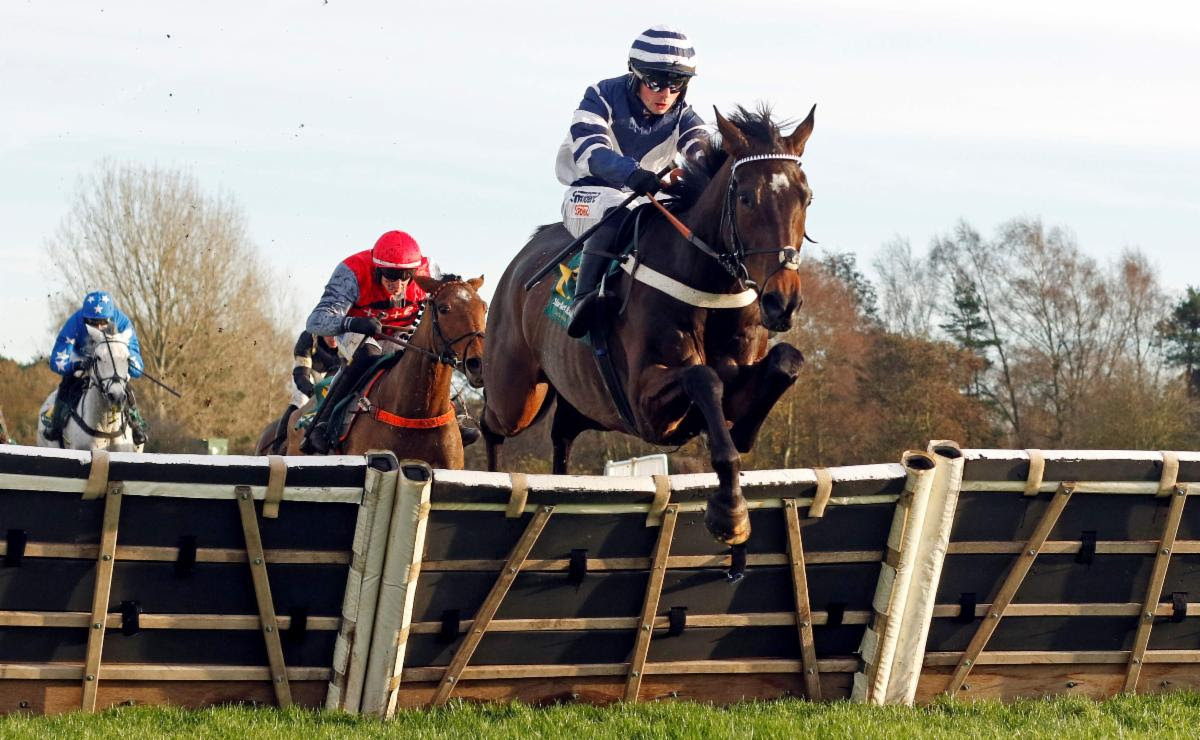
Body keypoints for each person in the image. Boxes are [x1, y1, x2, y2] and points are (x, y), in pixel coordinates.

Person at [556, 25, 710, 338]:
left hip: (643, 198)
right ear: (635, 74)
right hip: (589, 195)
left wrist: (706, 175)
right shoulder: (600, 96)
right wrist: (632, 173)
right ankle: (582, 300)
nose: (665, 93)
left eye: (677, 83)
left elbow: (705, 152)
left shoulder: (684, 115)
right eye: (655, 81)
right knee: (619, 212)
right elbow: (592, 151)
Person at [299, 230, 431, 454]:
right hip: (358, 333)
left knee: (427, 353)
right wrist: (353, 323)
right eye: (389, 274)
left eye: (405, 275)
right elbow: (315, 322)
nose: (397, 284)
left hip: (401, 333)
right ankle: (322, 424)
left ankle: (453, 417)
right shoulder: (351, 272)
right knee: (369, 352)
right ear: (377, 267)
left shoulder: (429, 271)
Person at [44, 290, 147, 444]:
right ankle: (56, 423)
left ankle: (136, 424)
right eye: (93, 323)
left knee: (124, 385)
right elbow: (56, 361)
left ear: (111, 318)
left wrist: (128, 362)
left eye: (103, 322)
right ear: (85, 318)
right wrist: (76, 365)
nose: (99, 327)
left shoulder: (123, 323)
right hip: (81, 357)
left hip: (109, 363)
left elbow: (137, 364)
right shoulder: (75, 322)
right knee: (68, 383)